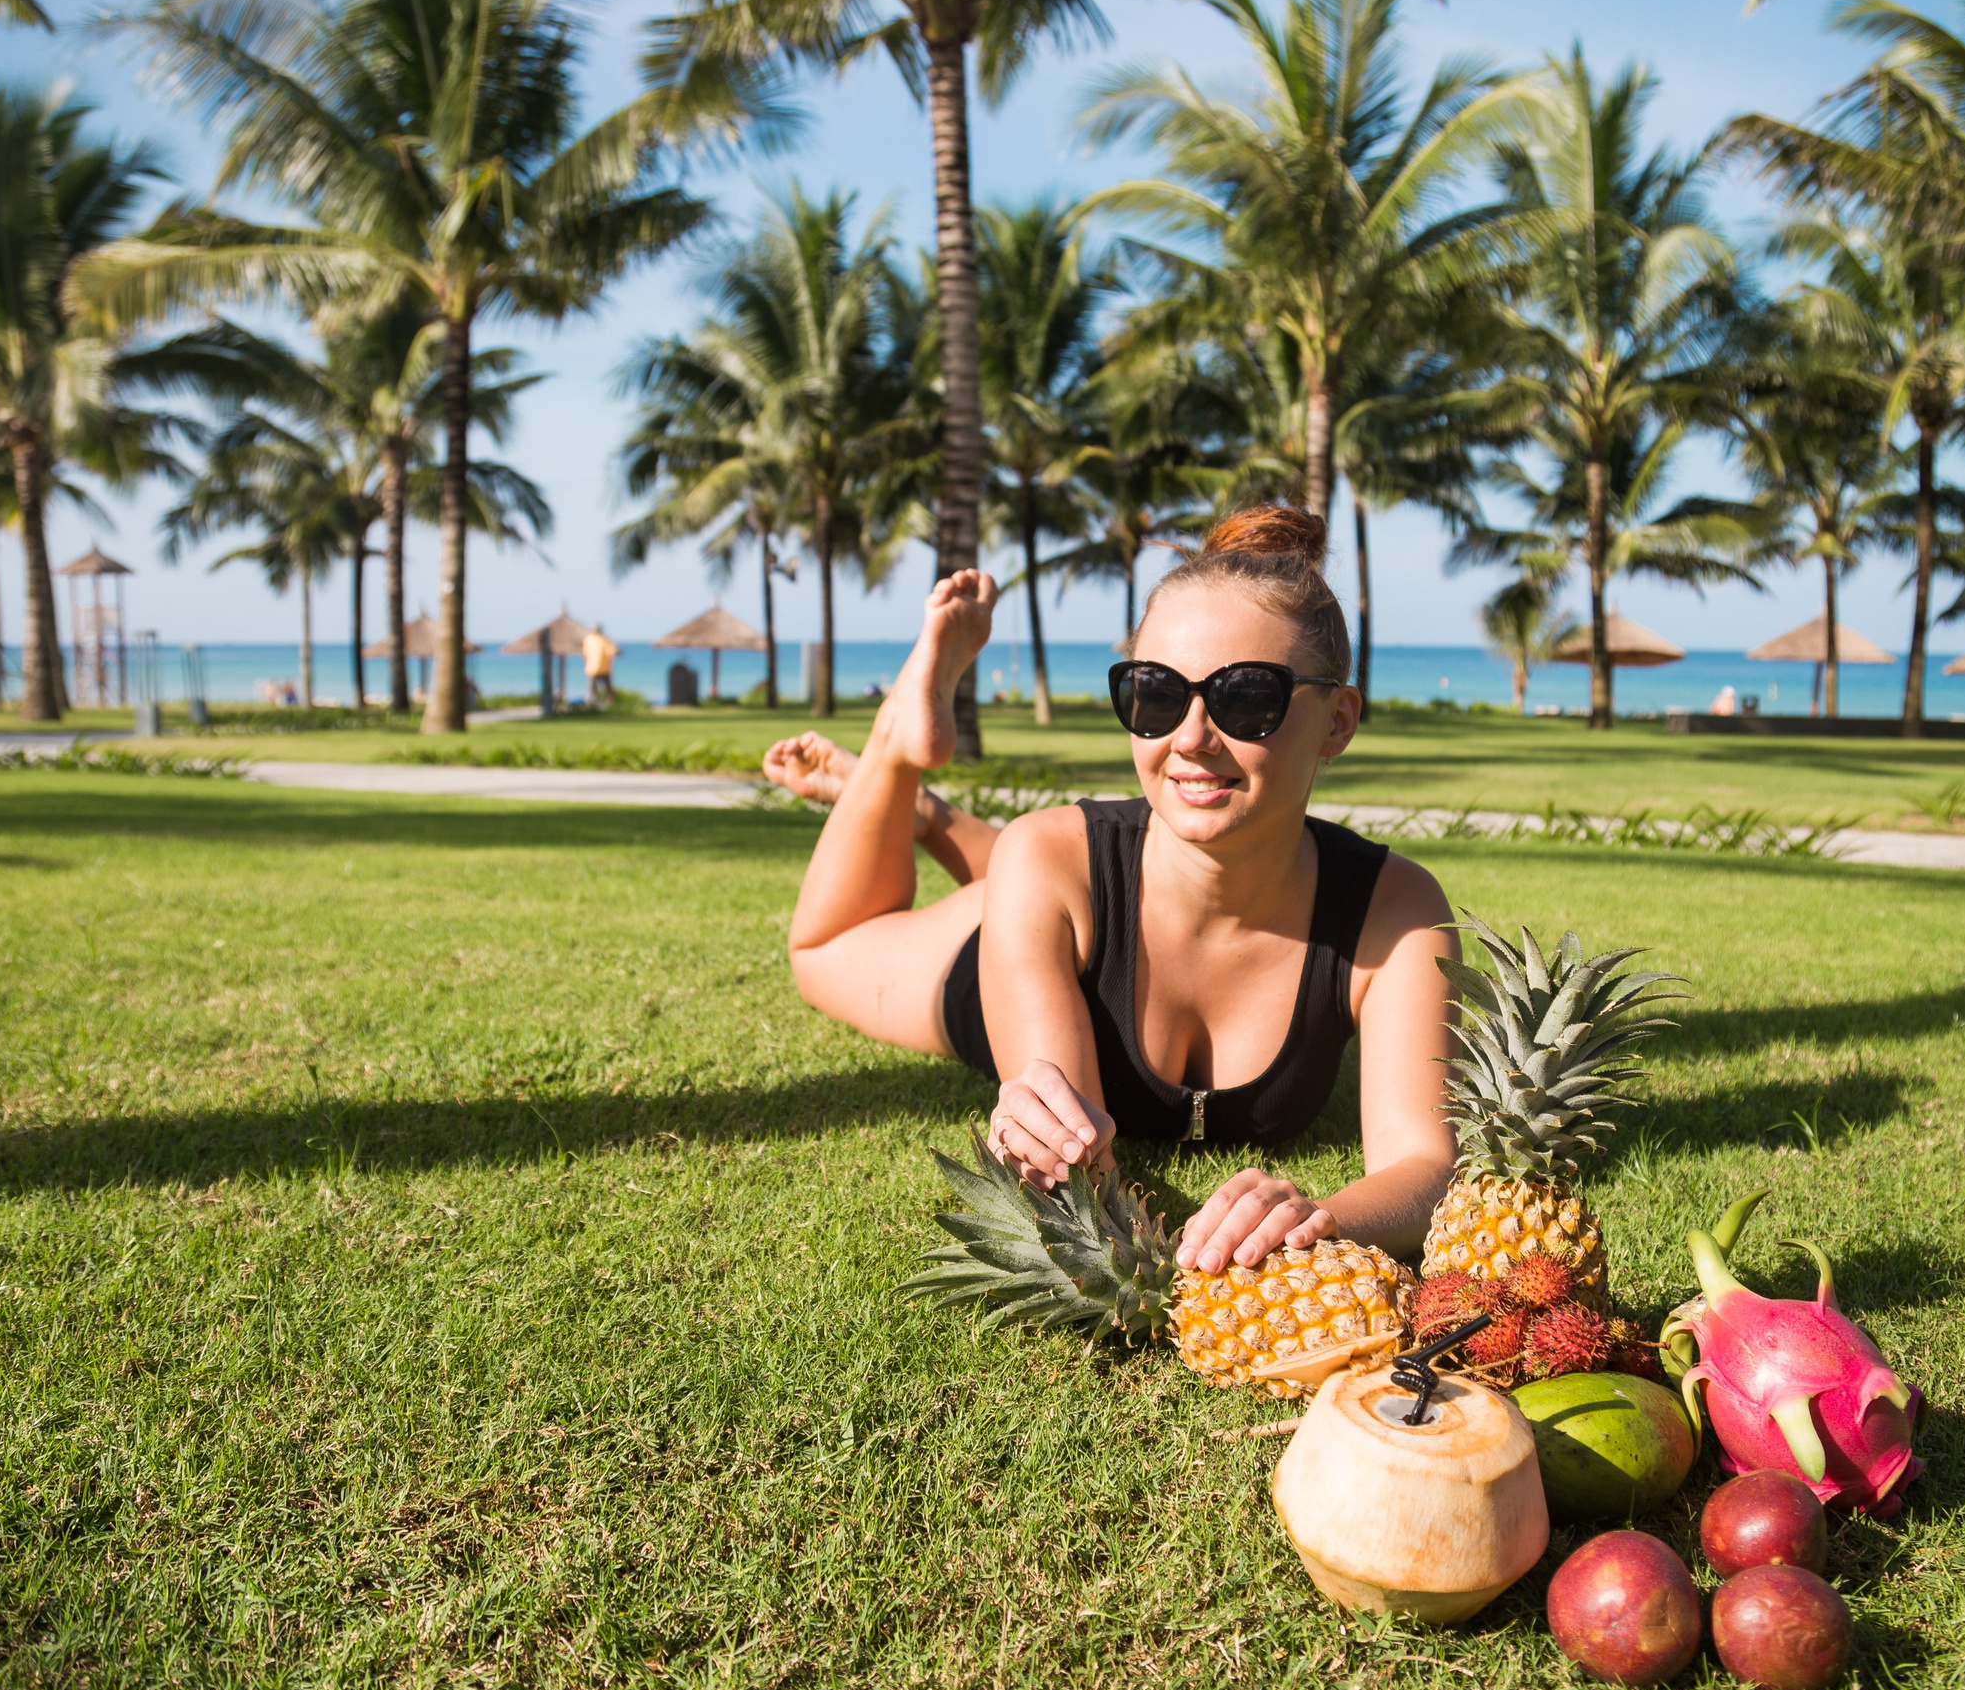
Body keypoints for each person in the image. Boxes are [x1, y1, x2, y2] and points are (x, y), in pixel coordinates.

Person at [760, 506, 1459, 1275]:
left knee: (1055, 862)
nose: (1190, 736)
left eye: (1248, 696)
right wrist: (1044, 1139)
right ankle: (896, 748)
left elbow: (1426, 1166)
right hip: (1003, 936)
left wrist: (1317, 1221)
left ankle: (921, 809)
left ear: (1339, 719)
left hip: (1079, 887)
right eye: (1157, 694)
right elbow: (1080, 1163)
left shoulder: (1394, 915)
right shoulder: (1047, 858)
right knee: (824, 951)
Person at [583, 624, 619, 708]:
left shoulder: (588, 639)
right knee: (607, 690)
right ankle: (608, 704)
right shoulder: (604, 640)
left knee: (593, 689)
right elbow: (613, 652)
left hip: (592, 668)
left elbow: (585, 654)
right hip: (603, 669)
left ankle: (592, 704)